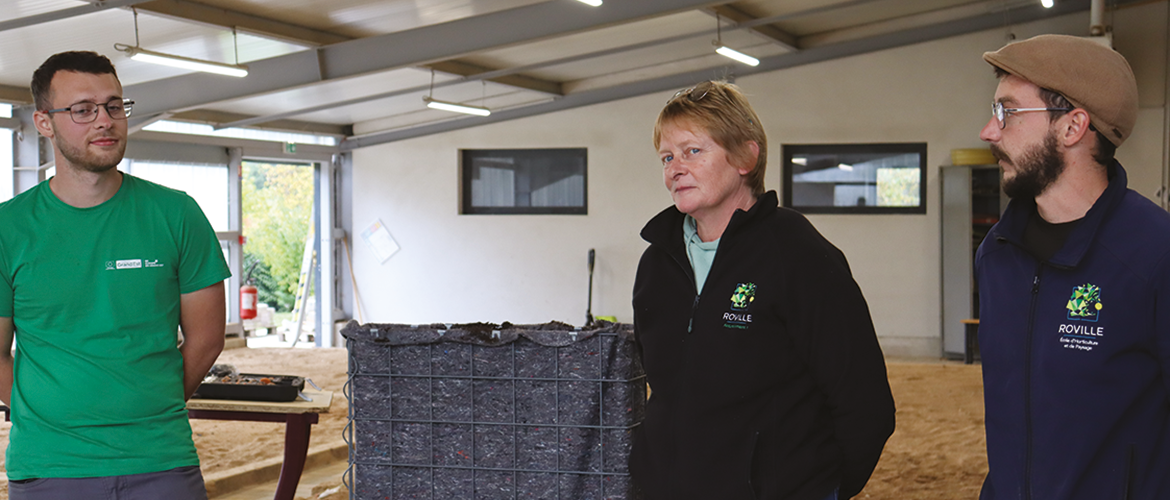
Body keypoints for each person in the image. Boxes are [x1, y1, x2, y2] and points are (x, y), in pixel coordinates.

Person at [630, 80, 895, 500]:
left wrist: (821, 488)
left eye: (693, 151)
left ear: (745, 157)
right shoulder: (657, 264)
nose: (675, 168)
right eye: (667, 156)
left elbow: (865, 403)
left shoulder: (799, 255)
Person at [0, 51, 231, 499]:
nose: (104, 121)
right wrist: (46, 411)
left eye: (113, 106)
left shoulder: (175, 214)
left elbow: (206, 339)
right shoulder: (8, 229)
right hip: (50, 467)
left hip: (161, 461)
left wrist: (149, 402)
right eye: (83, 110)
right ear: (43, 122)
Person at [975, 34, 1170, 499]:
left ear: (1072, 126)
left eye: (1007, 111)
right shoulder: (998, 253)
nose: (988, 130)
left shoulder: (1154, 255)